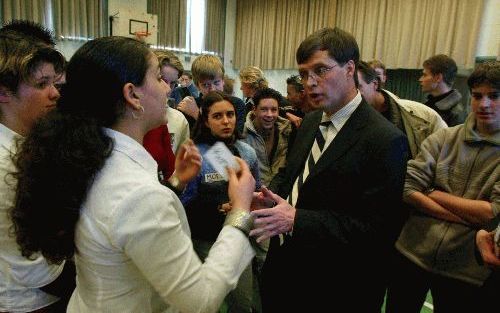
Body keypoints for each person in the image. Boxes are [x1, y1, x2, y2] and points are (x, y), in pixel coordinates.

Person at [9, 36, 258, 313]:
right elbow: (200, 300)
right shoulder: (136, 192)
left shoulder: (88, 158)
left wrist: (175, 183)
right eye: (158, 78)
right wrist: (240, 211)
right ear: (132, 94)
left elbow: (121, 225)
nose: (167, 89)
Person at [253, 27, 409, 312]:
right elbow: (292, 177)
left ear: (350, 68)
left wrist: (297, 219)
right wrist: (266, 197)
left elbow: (377, 232)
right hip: (285, 274)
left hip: (337, 289)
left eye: (320, 70)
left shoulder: (386, 140)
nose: (309, 83)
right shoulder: (311, 122)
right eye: (303, 74)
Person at [386, 61, 500, 313]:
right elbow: (407, 187)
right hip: (411, 252)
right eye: (478, 96)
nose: (484, 104)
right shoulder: (444, 137)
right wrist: (470, 218)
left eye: (494, 96)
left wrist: (430, 193)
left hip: (465, 269)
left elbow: (491, 213)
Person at [0, 29, 70, 312]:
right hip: (31, 300)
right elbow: (33, 270)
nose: (55, 94)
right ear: (4, 93)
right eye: (42, 84)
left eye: (54, 83)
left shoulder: (30, 142)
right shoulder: (7, 164)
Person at [180, 91, 260, 313]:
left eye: (230, 114)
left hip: (239, 237)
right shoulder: (195, 155)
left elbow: (256, 191)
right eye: (217, 116)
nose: (226, 121)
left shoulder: (247, 153)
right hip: (203, 240)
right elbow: (181, 203)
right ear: (205, 120)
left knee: (242, 305)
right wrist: (217, 207)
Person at [357, 60, 447, 158]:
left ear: (374, 84)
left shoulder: (423, 117)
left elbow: (446, 155)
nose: (352, 95)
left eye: (358, 87)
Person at [178, 55, 246, 133]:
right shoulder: (189, 106)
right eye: (206, 85)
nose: (213, 89)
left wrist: (196, 114)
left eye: (216, 83)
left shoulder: (237, 104)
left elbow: (233, 138)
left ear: (223, 81)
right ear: (197, 86)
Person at [242, 88, 294, 186]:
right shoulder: (242, 135)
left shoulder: (288, 131)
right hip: (254, 195)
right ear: (254, 109)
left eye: (274, 110)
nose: (269, 114)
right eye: (264, 109)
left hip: (281, 194)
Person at [420, 54, 467, 126]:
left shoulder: (456, 114)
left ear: (438, 78)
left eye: (425, 75)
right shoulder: (429, 103)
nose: (420, 79)